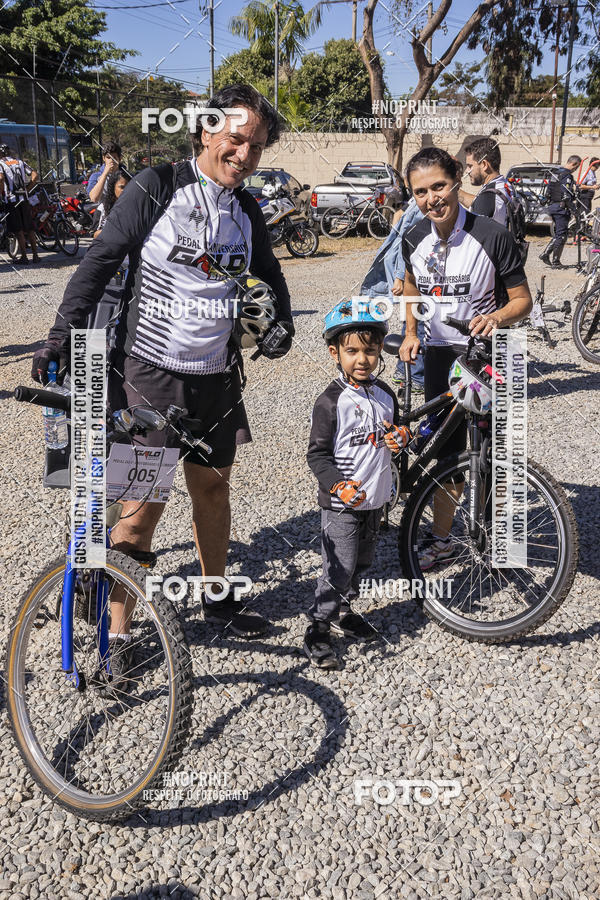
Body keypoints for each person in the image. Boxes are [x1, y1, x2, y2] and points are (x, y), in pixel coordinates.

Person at [32, 85, 295, 675]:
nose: (245, 154)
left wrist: (280, 327)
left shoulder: (246, 209)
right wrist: (60, 334)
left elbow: (271, 276)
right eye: (235, 139)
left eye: (255, 145)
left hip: (216, 376)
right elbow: (99, 260)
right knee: (144, 502)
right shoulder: (157, 186)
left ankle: (215, 599)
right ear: (205, 131)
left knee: (212, 487)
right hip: (150, 371)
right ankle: (119, 633)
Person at [398, 147, 532, 570]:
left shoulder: (492, 235)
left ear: (456, 179)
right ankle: (443, 539)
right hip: (441, 356)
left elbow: (523, 301)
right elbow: (411, 288)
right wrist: (411, 331)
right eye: (420, 192)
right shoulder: (413, 238)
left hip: (492, 354)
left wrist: (496, 317)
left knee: (498, 452)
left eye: (438, 186)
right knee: (449, 454)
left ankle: (501, 542)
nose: (431, 198)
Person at [305, 302, 408, 668]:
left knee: (363, 562)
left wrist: (401, 438)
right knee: (339, 565)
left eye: (369, 349)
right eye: (352, 351)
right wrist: (337, 486)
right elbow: (316, 456)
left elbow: (394, 435)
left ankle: (344, 610)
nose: (362, 359)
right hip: (341, 505)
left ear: (380, 349)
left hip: (375, 501)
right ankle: (318, 626)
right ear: (335, 353)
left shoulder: (385, 396)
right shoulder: (330, 402)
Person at [360, 199, 426, 392]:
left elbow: (399, 218)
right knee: (417, 321)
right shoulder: (419, 205)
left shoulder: (416, 201)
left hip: (412, 274)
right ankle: (413, 376)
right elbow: (407, 242)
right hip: (411, 274)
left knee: (413, 319)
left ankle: (404, 370)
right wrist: (399, 276)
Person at [0, 144, 39, 264]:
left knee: (18, 229)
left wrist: (1, 192)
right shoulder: (20, 162)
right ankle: (35, 255)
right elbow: (35, 175)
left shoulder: (0, 164)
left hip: (11, 200)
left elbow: (0, 178)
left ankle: (24, 257)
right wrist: (27, 189)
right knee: (30, 228)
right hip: (24, 199)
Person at [539, 155, 580, 269]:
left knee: (560, 233)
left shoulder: (555, 173)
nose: (575, 170)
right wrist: (574, 210)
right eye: (576, 167)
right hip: (561, 209)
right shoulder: (567, 176)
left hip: (553, 207)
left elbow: (548, 192)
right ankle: (555, 262)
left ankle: (545, 254)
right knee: (561, 236)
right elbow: (566, 196)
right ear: (574, 164)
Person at [462, 138, 511, 225]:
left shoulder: (487, 198)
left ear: (484, 165)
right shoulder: (504, 185)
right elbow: (477, 203)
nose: (467, 171)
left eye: (470, 166)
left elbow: (473, 235)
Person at [93, 169, 132, 237]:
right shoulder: (102, 208)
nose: (125, 190)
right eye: (122, 187)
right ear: (113, 187)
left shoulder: (135, 207)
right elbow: (95, 235)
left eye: (128, 187)